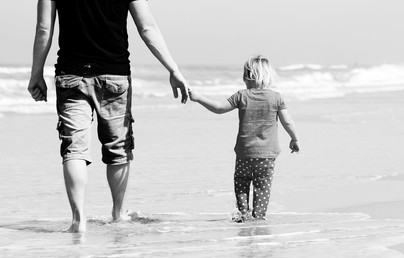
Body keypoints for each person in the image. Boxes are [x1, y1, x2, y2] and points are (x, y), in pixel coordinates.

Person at [27, 0, 191, 233]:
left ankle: (78, 220)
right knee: (118, 148)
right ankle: (118, 213)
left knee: (74, 148)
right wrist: (173, 69)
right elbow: (147, 28)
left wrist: (36, 73)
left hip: (71, 74)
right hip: (114, 74)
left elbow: (43, 28)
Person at [189, 55, 299, 222]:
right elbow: (288, 121)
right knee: (262, 187)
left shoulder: (242, 96)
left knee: (241, 184)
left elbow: (219, 108)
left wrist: (198, 98)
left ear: (248, 76)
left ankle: (243, 215)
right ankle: (258, 217)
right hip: (267, 155)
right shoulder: (276, 98)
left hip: (244, 154)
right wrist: (294, 139)